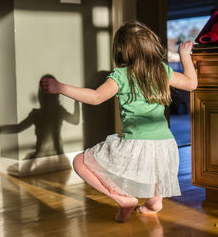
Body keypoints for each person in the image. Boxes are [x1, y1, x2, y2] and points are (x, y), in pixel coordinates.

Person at [40, 21, 197, 223]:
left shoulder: (121, 76)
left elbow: (96, 97)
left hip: (137, 143)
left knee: (79, 161)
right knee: (155, 167)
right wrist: (185, 55)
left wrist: (60, 87)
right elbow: (191, 84)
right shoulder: (161, 71)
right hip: (166, 144)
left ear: (122, 50)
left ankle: (123, 199)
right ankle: (154, 202)